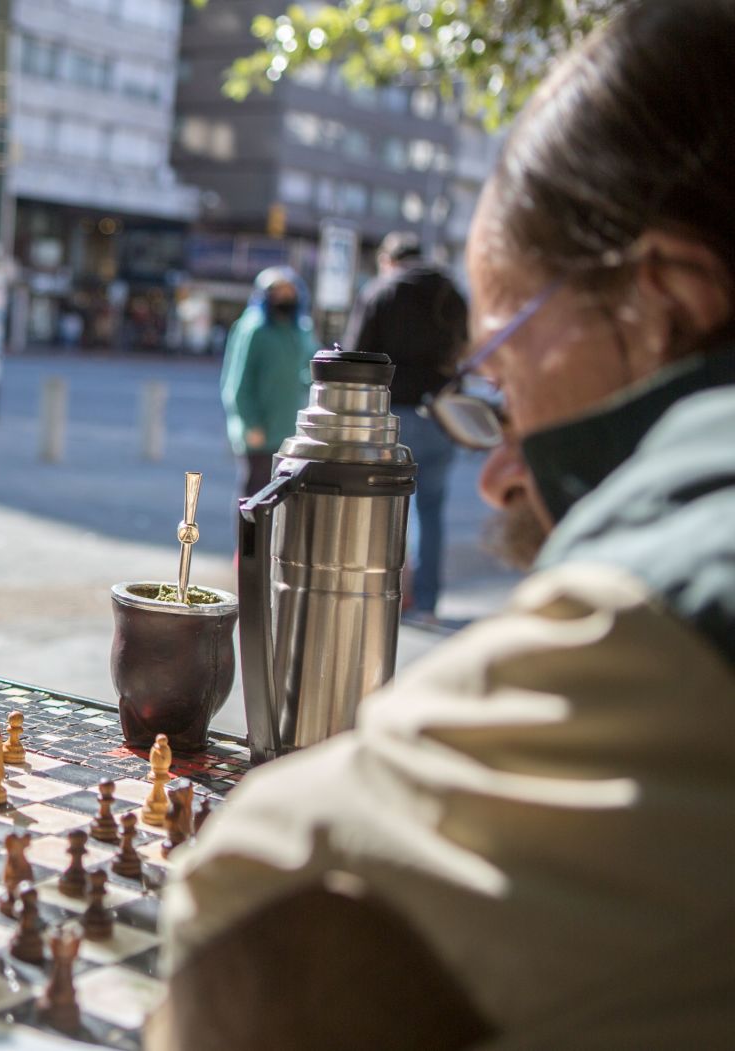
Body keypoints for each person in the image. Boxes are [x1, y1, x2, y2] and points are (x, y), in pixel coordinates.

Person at [158, 1, 735, 1047]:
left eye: (503, 378)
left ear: (666, 303)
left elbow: (248, 915)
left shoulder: (670, 606)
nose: (497, 470)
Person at [343, 231, 469, 621]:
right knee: (431, 512)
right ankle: (427, 603)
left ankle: (385, 597)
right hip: (443, 415)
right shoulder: (452, 293)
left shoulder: (382, 291)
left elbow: (354, 356)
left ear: (388, 260)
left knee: (384, 510)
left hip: (391, 417)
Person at [219, 267, 318, 505]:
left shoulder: (301, 330)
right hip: (259, 434)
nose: (285, 297)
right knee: (254, 495)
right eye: (278, 292)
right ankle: (246, 543)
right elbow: (236, 382)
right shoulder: (252, 329)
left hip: (291, 432)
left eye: (289, 291)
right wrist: (250, 423)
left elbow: (310, 370)